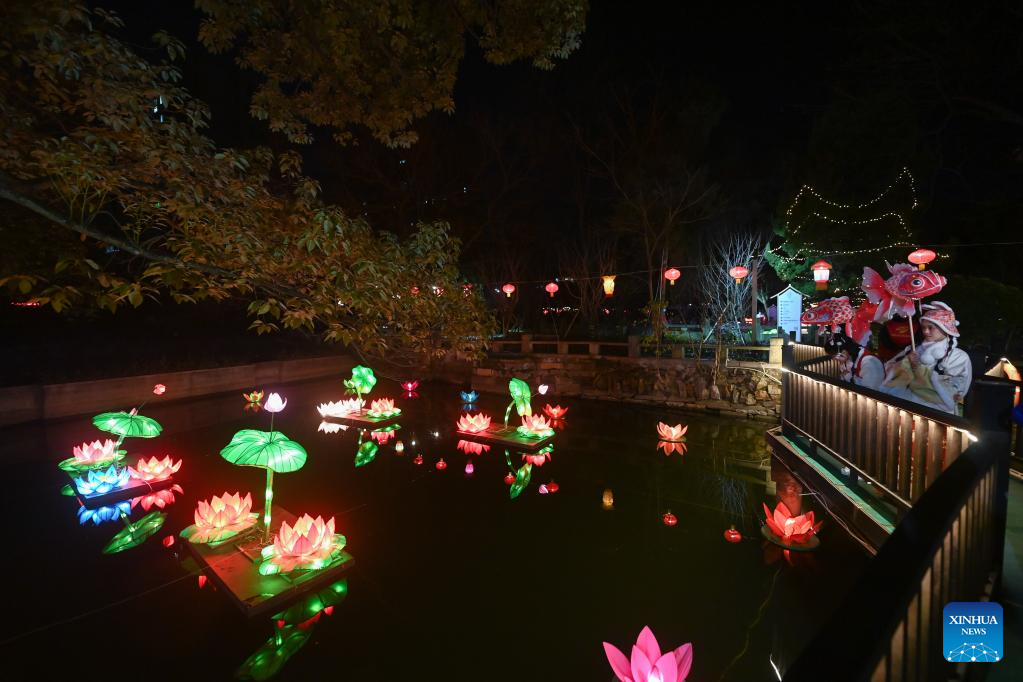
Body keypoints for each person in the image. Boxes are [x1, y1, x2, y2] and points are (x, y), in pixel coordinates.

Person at [881, 302, 972, 414]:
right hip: (903, 410)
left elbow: (953, 392)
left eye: (930, 327)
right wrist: (905, 363)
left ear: (945, 328)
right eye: (923, 327)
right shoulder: (912, 350)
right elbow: (888, 370)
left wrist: (917, 369)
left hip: (936, 415)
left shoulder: (958, 357)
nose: (925, 331)